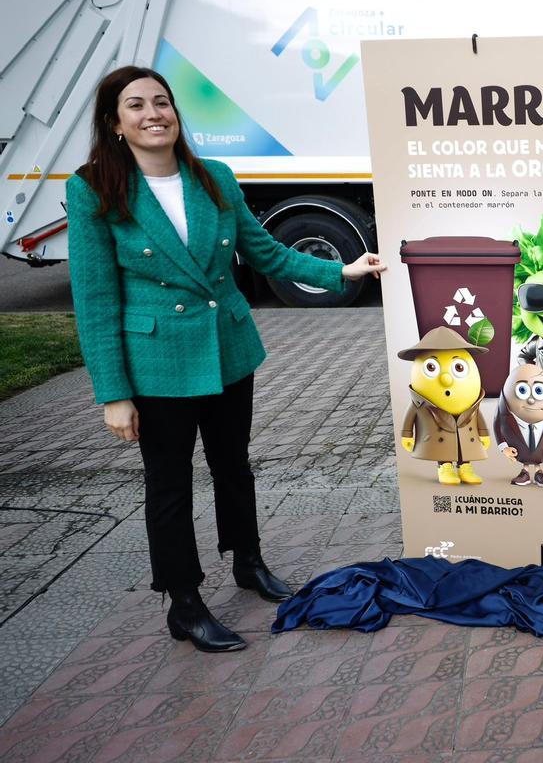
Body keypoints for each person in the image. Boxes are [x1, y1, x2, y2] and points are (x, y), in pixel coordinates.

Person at [67, 66, 386, 653]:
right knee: (169, 486)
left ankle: (248, 561)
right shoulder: (93, 189)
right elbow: (93, 301)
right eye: (135, 105)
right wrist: (113, 393)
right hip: (156, 361)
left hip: (227, 350)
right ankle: (184, 604)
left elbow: (264, 252)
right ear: (115, 123)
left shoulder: (214, 178)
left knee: (234, 465)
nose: (153, 113)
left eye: (162, 102)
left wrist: (340, 270)